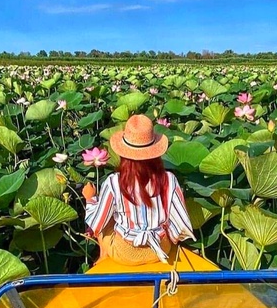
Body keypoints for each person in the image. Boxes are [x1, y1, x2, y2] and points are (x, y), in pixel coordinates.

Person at [82, 114, 195, 266]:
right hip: (160, 249)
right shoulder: (169, 179)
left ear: (124, 154)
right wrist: (168, 237)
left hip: (125, 253)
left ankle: (103, 255)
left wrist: (90, 199)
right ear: (155, 153)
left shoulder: (114, 182)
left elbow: (97, 222)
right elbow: (181, 223)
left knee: (105, 221)